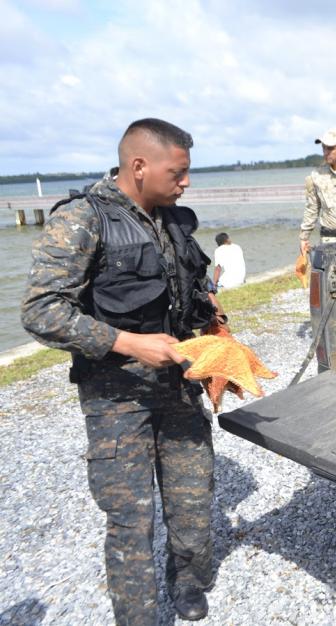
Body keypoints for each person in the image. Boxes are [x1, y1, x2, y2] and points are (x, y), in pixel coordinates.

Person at [21, 118, 226, 624]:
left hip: (180, 389)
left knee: (193, 498)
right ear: (139, 166)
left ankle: (189, 583)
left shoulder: (173, 217)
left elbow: (193, 290)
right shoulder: (82, 219)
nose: (186, 183)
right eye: (177, 173)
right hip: (117, 399)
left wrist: (215, 328)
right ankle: (138, 616)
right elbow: (41, 310)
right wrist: (128, 342)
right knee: (131, 519)